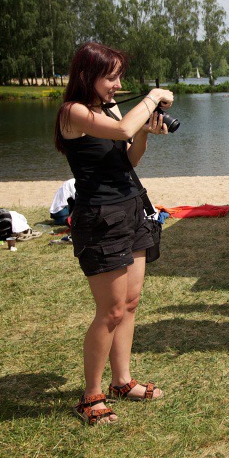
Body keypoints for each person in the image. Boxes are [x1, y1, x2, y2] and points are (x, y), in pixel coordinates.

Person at [54, 42, 175, 426]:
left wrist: (146, 134)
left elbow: (128, 158)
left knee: (131, 302)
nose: (118, 85)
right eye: (111, 77)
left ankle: (122, 381)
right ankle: (90, 396)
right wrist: (152, 96)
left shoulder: (110, 108)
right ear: (87, 76)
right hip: (99, 217)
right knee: (110, 311)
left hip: (131, 207)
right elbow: (123, 129)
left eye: (120, 77)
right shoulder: (72, 112)